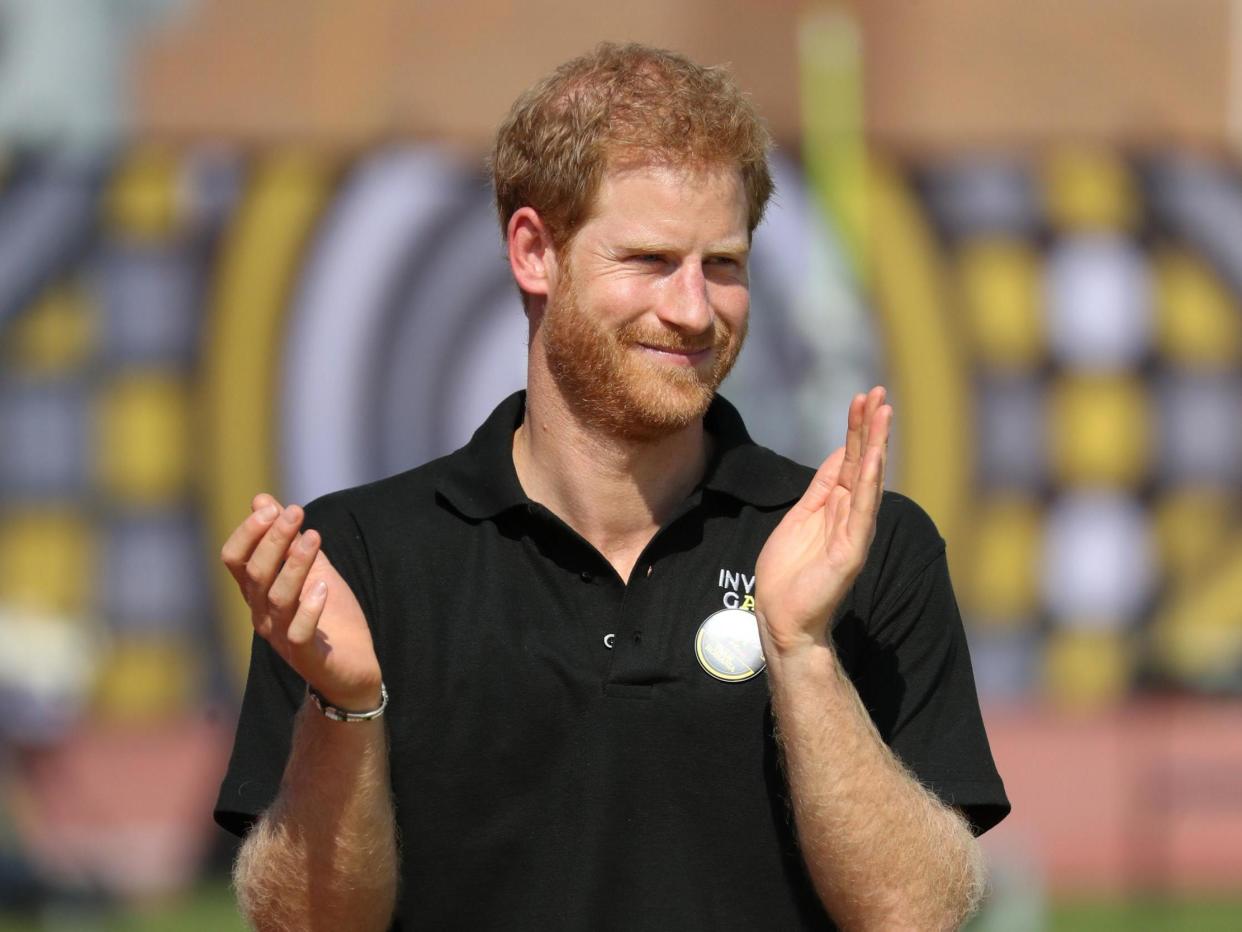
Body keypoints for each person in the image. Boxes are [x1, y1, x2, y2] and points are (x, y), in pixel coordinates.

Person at [215, 42, 1009, 931]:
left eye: (724, 265)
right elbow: (305, 926)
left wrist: (803, 652)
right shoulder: (357, 559)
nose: (694, 310)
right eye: (650, 260)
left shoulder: (866, 550)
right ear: (533, 252)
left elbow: (919, 916)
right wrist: (346, 705)